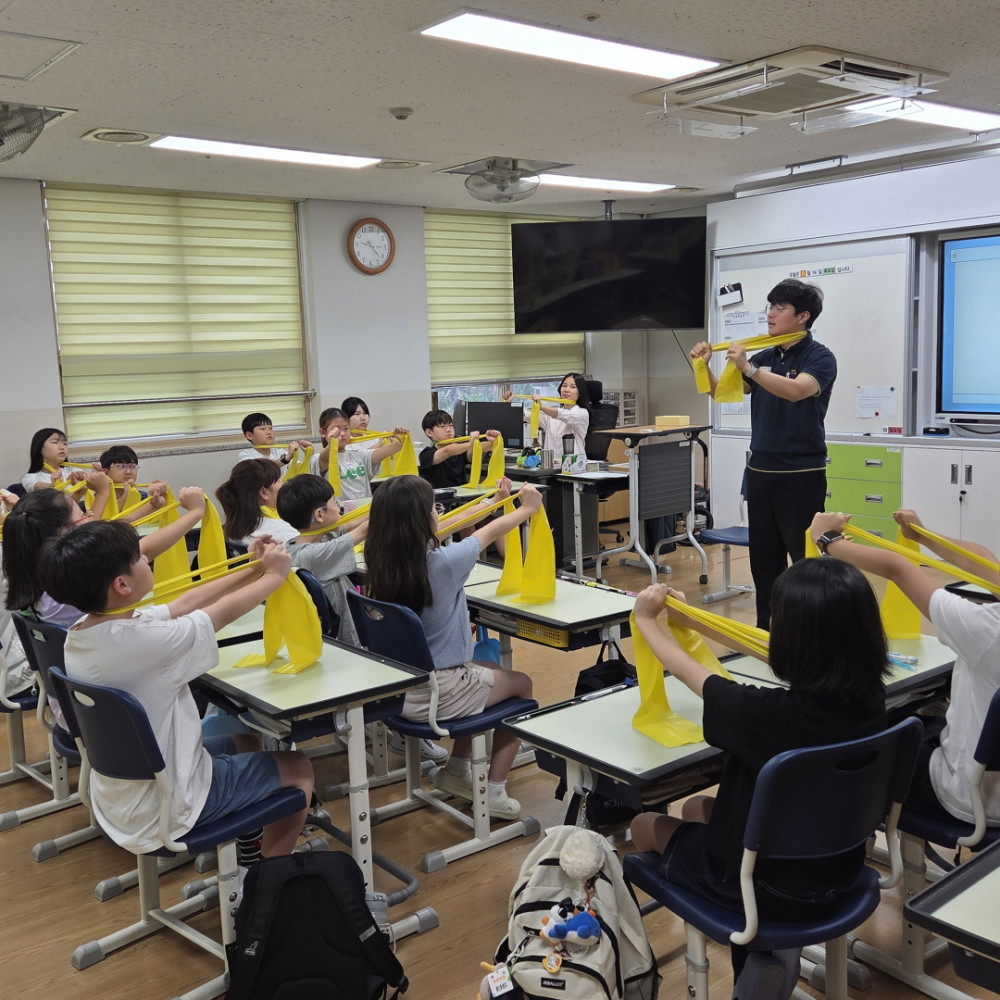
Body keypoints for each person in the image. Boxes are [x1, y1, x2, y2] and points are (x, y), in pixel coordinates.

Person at [628, 558, 890, 993]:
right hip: (840, 865)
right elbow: (788, 654)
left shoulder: (768, 717)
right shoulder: (870, 698)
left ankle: (759, 950)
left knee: (643, 825)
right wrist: (690, 619)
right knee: (697, 808)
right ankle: (768, 954)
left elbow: (699, 677)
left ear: (793, 640)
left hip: (769, 887)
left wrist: (646, 622)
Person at [38, 520, 314, 857]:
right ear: (122, 584)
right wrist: (274, 576)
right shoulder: (148, 642)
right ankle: (266, 878)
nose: (146, 560)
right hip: (169, 805)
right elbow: (219, 613)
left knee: (248, 743)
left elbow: (185, 604)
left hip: (123, 796)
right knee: (300, 768)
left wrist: (254, 567)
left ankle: (247, 843)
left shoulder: (84, 631)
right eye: (139, 558)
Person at [364, 475, 541, 819]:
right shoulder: (443, 563)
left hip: (398, 691)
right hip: (439, 692)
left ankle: (457, 771)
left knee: (489, 671)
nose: (439, 512)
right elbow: (486, 534)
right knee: (522, 685)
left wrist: (494, 502)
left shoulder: (380, 557)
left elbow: (455, 526)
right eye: (434, 508)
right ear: (422, 520)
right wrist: (526, 509)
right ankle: (494, 791)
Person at [810, 508, 1000, 827]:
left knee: (860, 755)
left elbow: (897, 569)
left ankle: (846, 840)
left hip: (970, 797)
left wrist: (826, 539)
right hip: (986, 782)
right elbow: (983, 559)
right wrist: (922, 536)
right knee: (919, 721)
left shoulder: (987, 631)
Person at [690, 278, 836, 629]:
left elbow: (796, 391)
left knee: (805, 561)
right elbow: (723, 393)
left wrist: (749, 369)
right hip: (761, 473)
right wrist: (704, 366)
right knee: (765, 562)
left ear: (802, 316)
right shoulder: (765, 355)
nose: (770, 314)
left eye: (779, 308)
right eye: (770, 307)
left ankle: (811, 631)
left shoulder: (819, 357)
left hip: (800, 475)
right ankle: (768, 631)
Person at [308, 408, 408, 504]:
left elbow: (388, 450)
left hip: (363, 511)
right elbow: (324, 459)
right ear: (323, 432)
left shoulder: (360, 455)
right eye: (336, 430)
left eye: (346, 428)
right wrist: (332, 443)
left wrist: (400, 439)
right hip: (338, 512)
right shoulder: (317, 459)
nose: (342, 433)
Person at [216, 458, 299, 546]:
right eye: (278, 480)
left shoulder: (237, 523)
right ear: (263, 493)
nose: (283, 483)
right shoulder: (283, 532)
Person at [504, 374, 591, 455]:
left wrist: (542, 407)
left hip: (574, 464)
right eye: (564, 386)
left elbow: (563, 414)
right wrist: (509, 404)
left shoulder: (582, 413)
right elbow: (528, 415)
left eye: (573, 387)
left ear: (580, 393)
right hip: (550, 463)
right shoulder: (550, 415)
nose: (566, 390)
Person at [418, 409, 499, 489]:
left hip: (461, 495)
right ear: (429, 432)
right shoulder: (426, 454)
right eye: (442, 426)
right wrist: (470, 444)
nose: (448, 430)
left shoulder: (459, 449)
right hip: (439, 497)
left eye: (450, 425)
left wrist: (493, 442)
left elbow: (477, 449)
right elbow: (448, 451)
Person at [96, 444, 167, 522]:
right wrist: (125, 495)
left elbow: (149, 521)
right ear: (106, 472)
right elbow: (107, 522)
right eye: (121, 466)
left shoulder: (141, 496)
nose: (128, 472)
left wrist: (159, 497)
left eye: (133, 467)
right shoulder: (100, 496)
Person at [21, 428, 87, 492]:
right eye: (55, 442)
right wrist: (54, 485)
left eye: (65, 443)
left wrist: (87, 479)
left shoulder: (73, 471)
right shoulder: (29, 478)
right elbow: (38, 490)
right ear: (40, 448)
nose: (62, 447)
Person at [236, 412, 310, 466]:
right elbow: (260, 472)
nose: (269, 432)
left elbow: (299, 467)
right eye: (262, 429)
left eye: (270, 428)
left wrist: (308, 454)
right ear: (249, 435)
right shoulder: (245, 455)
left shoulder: (280, 452)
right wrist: (285, 459)